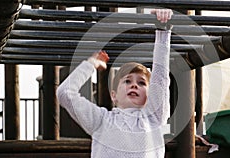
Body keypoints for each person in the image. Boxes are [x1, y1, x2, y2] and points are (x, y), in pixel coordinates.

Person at [57, 9, 173, 158]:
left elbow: (160, 78)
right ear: (114, 95)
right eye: (127, 81)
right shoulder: (101, 120)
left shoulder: (154, 119)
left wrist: (162, 32)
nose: (134, 85)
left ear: (149, 95)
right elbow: (65, 93)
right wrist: (91, 64)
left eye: (142, 83)